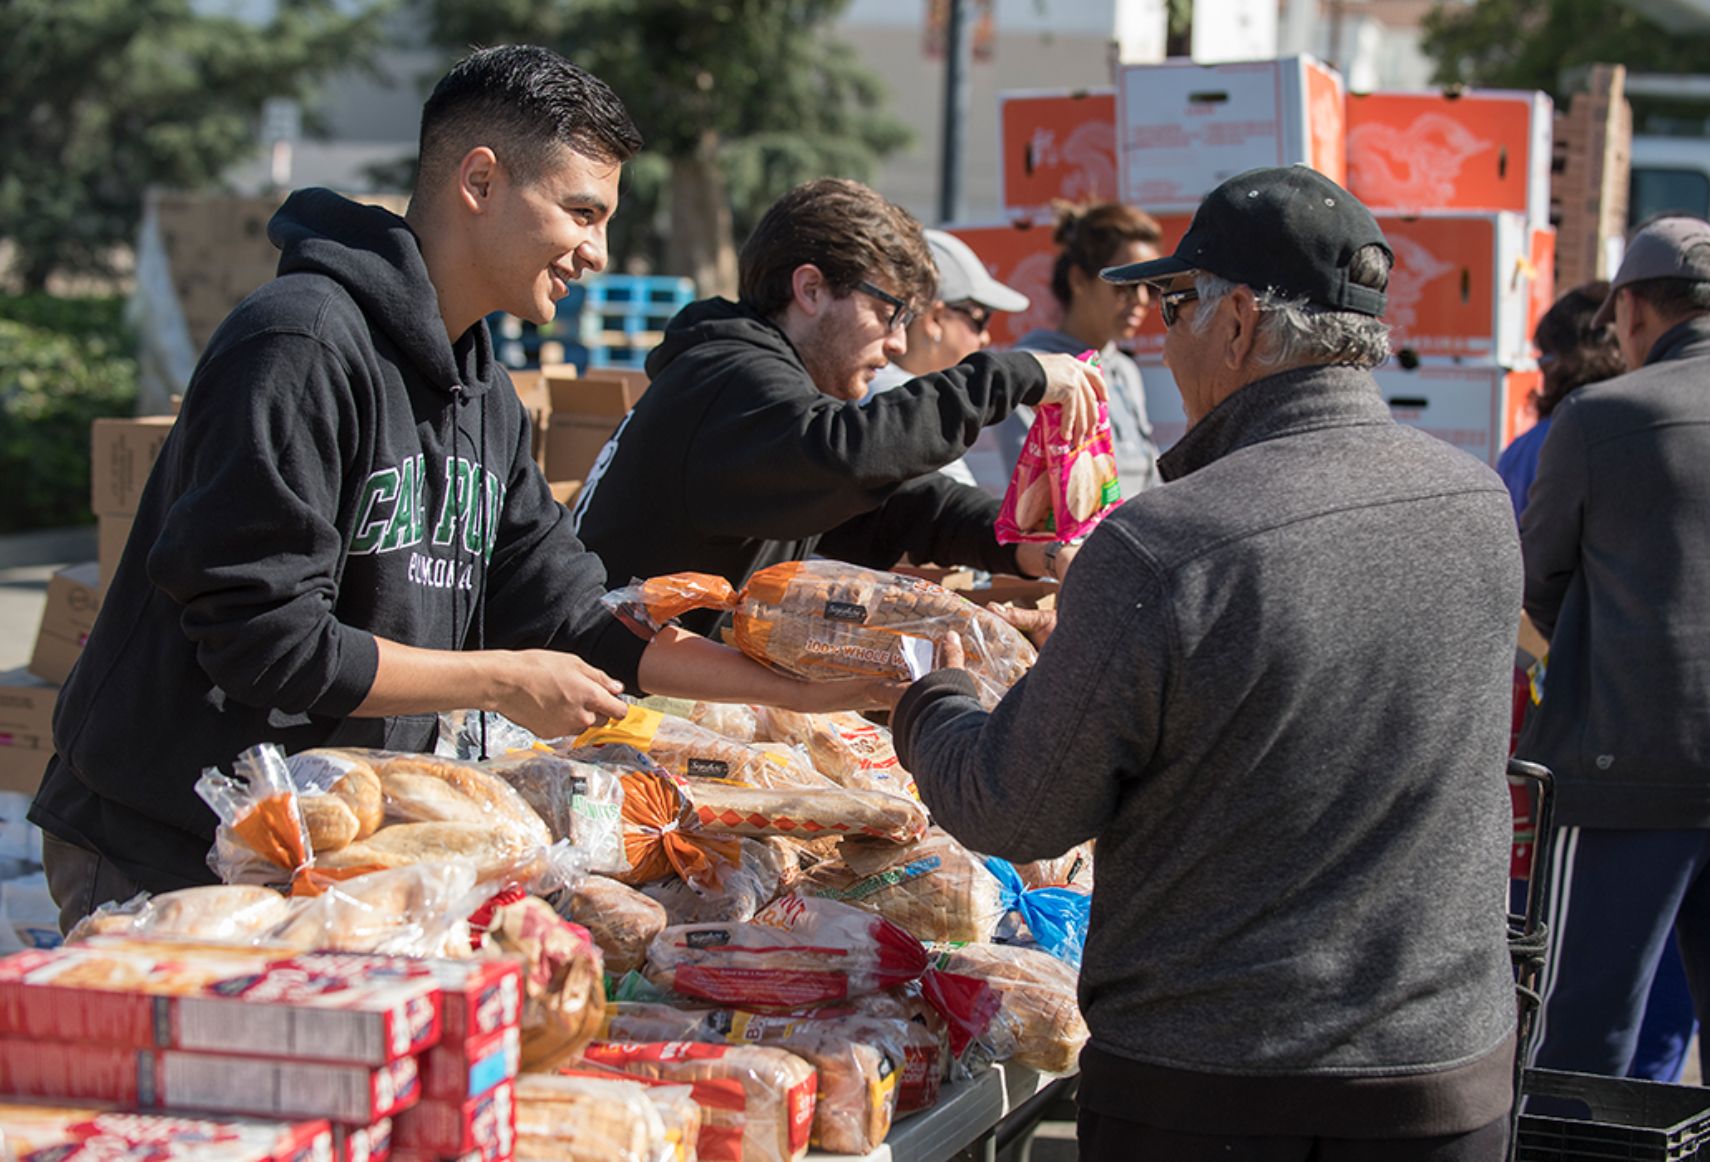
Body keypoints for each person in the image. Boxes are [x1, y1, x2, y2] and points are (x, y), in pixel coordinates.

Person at [27, 46, 888, 931]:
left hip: (339, 851)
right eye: (581, 213)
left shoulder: (483, 390)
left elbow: (574, 612)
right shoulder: (299, 345)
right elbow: (263, 639)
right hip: (173, 850)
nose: (596, 252)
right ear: (480, 179)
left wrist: (798, 691)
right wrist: (498, 679)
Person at [887, 166, 1520, 1160]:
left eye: (1175, 303)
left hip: (1216, 1088)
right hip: (1443, 1074)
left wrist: (934, 695)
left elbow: (1017, 806)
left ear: (1235, 322)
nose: (1156, 330)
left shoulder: (1166, 547)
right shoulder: (1476, 500)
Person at [570, 177, 1105, 635]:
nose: (898, 343)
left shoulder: (752, 388)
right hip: (593, 712)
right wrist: (1016, 374)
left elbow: (891, 507)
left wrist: (1022, 543)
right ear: (811, 289)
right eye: (889, 313)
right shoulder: (727, 380)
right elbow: (846, 459)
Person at [1518, 214, 1710, 1087]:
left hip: (1626, 765)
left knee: (1587, 1034)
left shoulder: (1603, 417)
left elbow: (1532, 590)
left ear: (1631, 310)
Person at [997, 201, 1164, 495]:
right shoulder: (1032, 371)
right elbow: (1042, 496)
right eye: (1125, 285)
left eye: (1150, 287)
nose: (1140, 300)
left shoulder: (1124, 370)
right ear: (1078, 279)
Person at [864, 228, 1030, 490]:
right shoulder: (903, 403)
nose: (985, 337)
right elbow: (962, 525)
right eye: (979, 319)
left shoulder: (882, 392)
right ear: (935, 318)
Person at [1496, 281, 1622, 521]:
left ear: (1555, 366)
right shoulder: (1656, 434)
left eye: (1543, 360)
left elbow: (1509, 546)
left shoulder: (1532, 449)